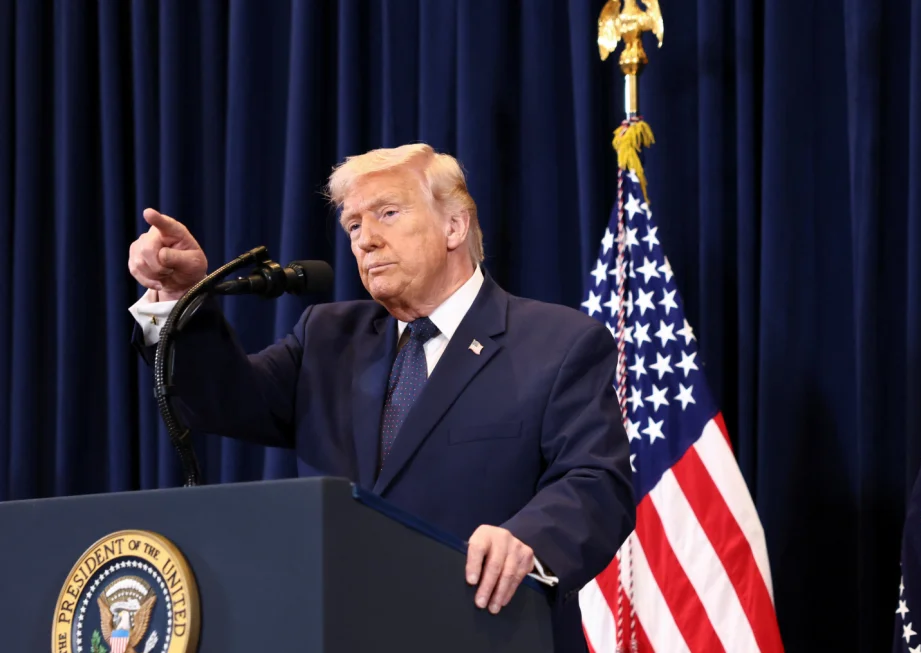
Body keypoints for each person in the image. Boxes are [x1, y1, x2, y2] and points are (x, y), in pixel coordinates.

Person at [126, 143, 635, 651]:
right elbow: (222, 400)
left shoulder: (556, 343)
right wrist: (180, 297)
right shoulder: (326, 337)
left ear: (454, 226)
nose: (365, 239)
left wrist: (528, 541)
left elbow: (596, 481)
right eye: (353, 225)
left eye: (387, 213)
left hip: (488, 631)